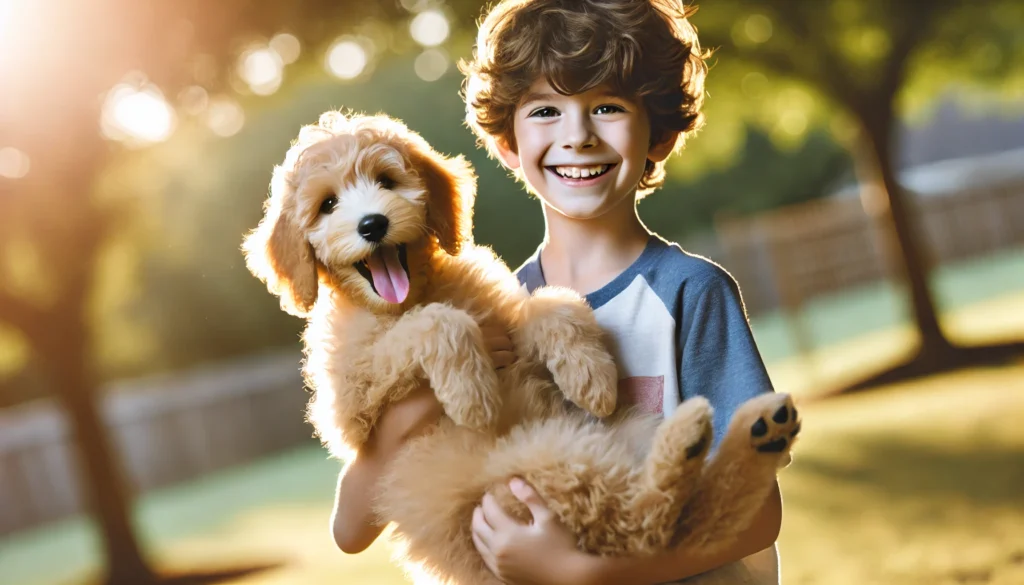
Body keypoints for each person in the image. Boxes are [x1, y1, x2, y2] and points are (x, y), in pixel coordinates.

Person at [333, 1, 787, 583]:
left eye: (608, 106)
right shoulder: (492, 309)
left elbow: (757, 512)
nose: (577, 135)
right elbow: (351, 531)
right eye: (546, 110)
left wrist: (583, 571)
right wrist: (413, 408)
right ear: (506, 145)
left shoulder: (688, 293)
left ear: (661, 133)